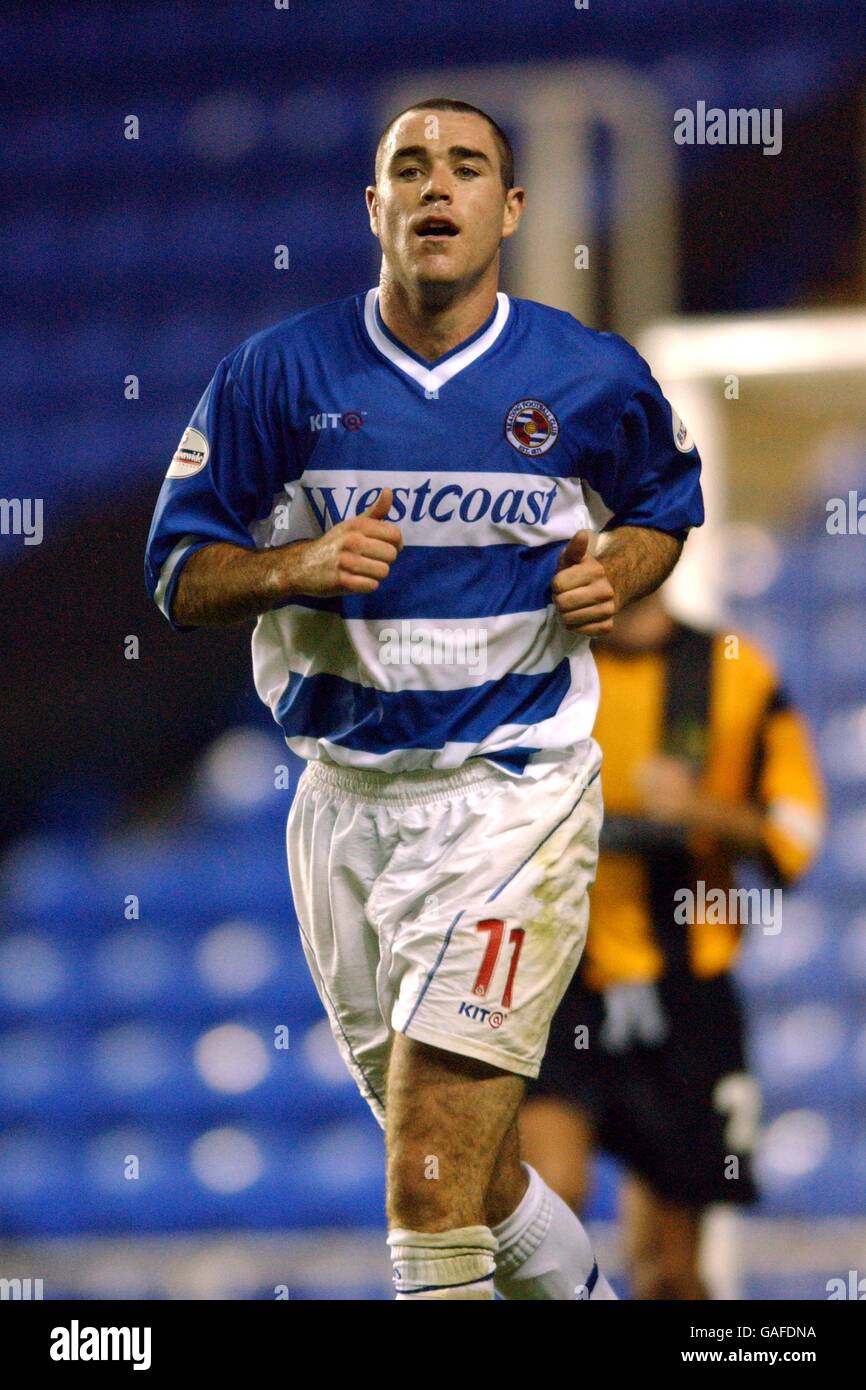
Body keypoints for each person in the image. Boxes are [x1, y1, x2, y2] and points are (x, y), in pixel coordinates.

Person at [144, 98, 703, 1300]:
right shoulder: (276, 375)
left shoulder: (584, 376)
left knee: (424, 1177)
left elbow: (663, 505)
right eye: (409, 167)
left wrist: (617, 570)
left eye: (464, 167)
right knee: (477, 1182)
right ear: (375, 207)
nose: (434, 186)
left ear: (509, 208)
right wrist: (291, 566)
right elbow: (177, 575)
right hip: (343, 810)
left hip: (511, 799)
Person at [521, 592, 826, 1299]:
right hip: (557, 987)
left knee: (670, 1269)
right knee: (546, 1222)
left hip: (685, 1000)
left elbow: (797, 834)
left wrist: (703, 813)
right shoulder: (533, 663)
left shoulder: (732, 670)